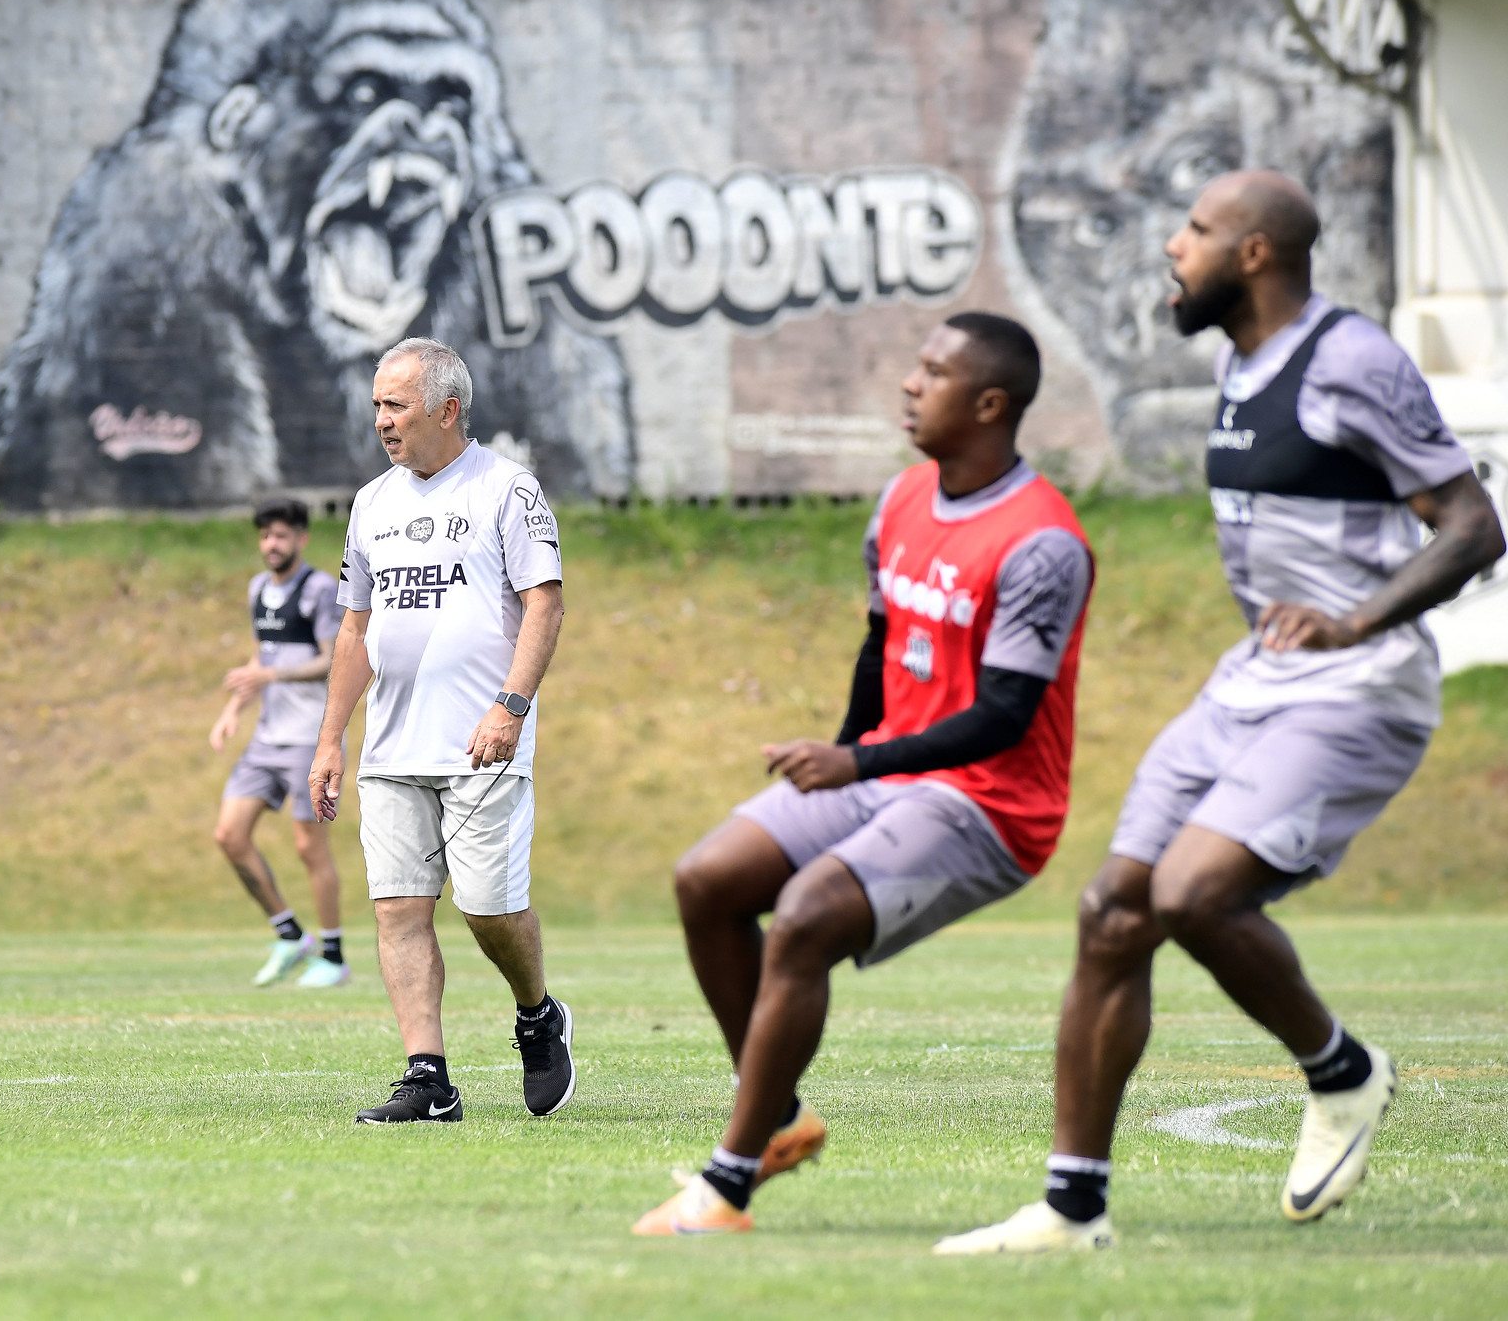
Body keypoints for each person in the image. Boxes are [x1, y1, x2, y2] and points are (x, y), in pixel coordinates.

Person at [936, 172, 1505, 1255]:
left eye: (1194, 231)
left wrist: (1354, 621)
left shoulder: (1349, 360)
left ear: (1252, 253)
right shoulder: (1234, 362)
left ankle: (1341, 1074)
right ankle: (1070, 1212)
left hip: (1358, 688)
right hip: (1253, 680)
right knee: (1112, 910)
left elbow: (1471, 527)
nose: (1170, 247)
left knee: (1192, 893)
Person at [633, 314, 1094, 1234]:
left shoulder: (1044, 542)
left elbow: (1004, 716)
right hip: (887, 773)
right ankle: (780, 1113)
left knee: (804, 916)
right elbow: (882, 646)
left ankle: (726, 1182)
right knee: (707, 879)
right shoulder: (901, 502)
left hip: (991, 804)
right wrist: (844, 767)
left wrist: (857, 759)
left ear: (990, 403)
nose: (910, 384)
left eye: (934, 371)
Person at [309, 337, 575, 1124]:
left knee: (488, 910)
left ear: (447, 408)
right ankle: (428, 1077)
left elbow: (545, 604)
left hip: (481, 741)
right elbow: (356, 629)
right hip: (393, 748)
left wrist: (511, 706)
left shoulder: (507, 490)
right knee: (398, 908)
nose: (383, 422)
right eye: (377, 407)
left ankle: (536, 1012)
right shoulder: (372, 503)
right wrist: (331, 738)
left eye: (396, 405)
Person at [209, 498, 349, 987]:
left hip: (310, 740)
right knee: (229, 835)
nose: (272, 544)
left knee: (309, 848)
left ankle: (333, 957)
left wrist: (273, 674)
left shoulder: (319, 589)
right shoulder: (256, 590)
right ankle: (290, 933)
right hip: (266, 738)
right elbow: (258, 657)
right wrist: (232, 710)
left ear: (302, 539)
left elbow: (332, 660)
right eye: (266, 535)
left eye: (282, 535)